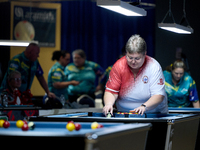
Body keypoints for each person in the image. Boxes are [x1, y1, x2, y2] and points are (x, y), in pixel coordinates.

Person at [103, 35, 168, 115]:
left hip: (153, 113)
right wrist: (109, 104)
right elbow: (111, 91)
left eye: (137, 58)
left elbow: (158, 95)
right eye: (130, 58)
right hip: (124, 114)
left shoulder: (153, 66)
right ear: (126, 53)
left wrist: (144, 106)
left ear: (145, 54)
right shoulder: (118, 66)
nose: (133, 62)